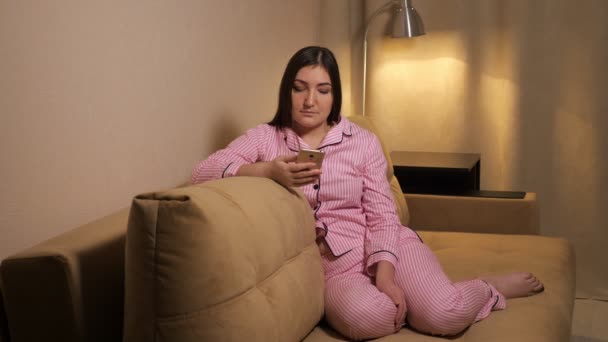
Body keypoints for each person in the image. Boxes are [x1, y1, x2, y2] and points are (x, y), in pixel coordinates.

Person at [191, 46, 544, 341]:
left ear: (335, 95)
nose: (309, 100)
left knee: (443, 315)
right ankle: (423, 299)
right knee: (371, 319)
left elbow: (382, 214)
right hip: (333, 269)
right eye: (300, 88)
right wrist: (267, 170)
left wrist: (386, 275)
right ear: (287, 91)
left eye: (322, 90)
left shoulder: (361, 142)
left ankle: (484, 289)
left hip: (389, 247)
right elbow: (201, 173)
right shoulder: (266, 139)